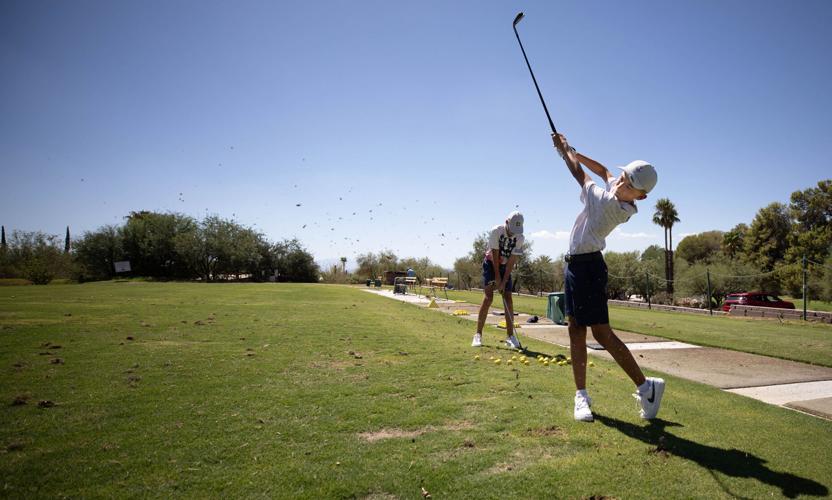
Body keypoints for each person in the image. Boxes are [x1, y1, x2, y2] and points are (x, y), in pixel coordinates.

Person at [552, 132, 665, 422]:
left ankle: (644, 387)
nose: (621, 184)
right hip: (576, 265)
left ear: (641, 197)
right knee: (575, 330)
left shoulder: (610, 206)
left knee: (600, 333)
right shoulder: (618, 186)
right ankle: (584, 396)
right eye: (624, 176)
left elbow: (582, 176)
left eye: (629, 185)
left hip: (587, 267)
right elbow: (603, 171)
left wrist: (567, 152)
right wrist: (573, 149)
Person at [471, 211, 524, 350]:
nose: (513, 233)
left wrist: (504, 279)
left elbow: (512, 261)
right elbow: (494, 255)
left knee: (508, 298)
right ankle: (478, 335)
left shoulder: (520, 238)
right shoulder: (496, 231)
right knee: (488, 298)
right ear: (506, 222)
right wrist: (497, 278)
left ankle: (510, 337)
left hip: (505, 266)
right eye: (512, 229)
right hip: (491, 263)